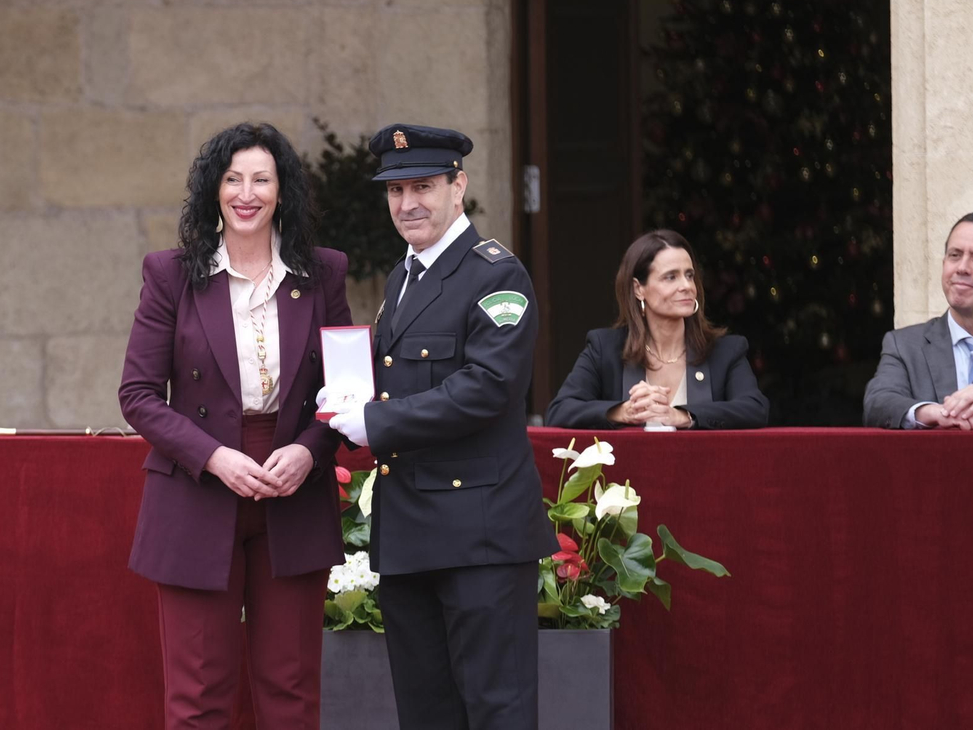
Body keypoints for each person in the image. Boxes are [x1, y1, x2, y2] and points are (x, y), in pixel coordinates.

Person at [119, 123, 352, 729]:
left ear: (283, 191)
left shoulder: (323, 273)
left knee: (292, 693)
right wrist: (215, 457)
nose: (246, 193)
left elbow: (348, 392)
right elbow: (139, 396)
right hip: (198, 488)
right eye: (232, 179)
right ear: (214, 190)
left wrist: (309, 450)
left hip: (293, 489)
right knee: (198, 698)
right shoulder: (171, 274)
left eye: (262, 179)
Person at [327, 124, 555, 729]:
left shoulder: (496, 276)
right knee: (427, 714)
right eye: (396, 191)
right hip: (411, 533)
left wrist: (375, 420)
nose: (408, 204)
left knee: (496, 710)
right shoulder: (404, 278)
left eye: (423, 186)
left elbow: (485, 389)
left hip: (479, 535)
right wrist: (345, 401)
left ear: (460, 186)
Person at [544, 230, 770, 430]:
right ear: (638, 289)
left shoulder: (725, 350)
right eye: (670, 277)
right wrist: (624, 411)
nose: (687, 286)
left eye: (689, 275)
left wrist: (683, 416)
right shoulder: (605, 348)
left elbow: (755, 409)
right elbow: (560, 411)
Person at [863, 212, 973, 429]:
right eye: (954, 255)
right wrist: (935, 412)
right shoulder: (904, 345)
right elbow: (878, 403)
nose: (962, 268)